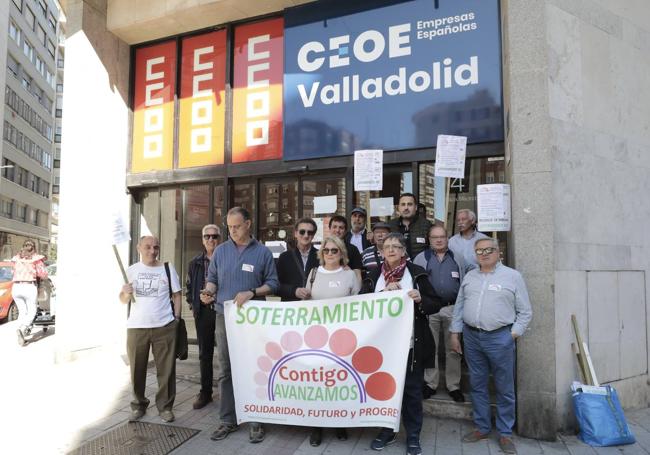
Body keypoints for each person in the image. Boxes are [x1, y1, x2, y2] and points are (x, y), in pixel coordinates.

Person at [202, 207, 279, 444]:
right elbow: (212, 280)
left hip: (253, 321)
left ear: (248, 224)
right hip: (224, 317)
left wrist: (252, 292)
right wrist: (207, 292)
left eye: (236, 226)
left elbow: (273, 283)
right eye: (229, 227)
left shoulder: (263, 252)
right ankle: (228, 420)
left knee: (254, 368)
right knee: (226, 370)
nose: (232, 231)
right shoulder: (221, 251)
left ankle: (256, 420)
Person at [361, 233, 443, 455]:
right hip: (381, 348)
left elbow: (435, 303)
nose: (391, 250)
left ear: (404, 251)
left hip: (410, 346)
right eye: (387, 246)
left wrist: (420, 299)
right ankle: (387, 431)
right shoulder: (373, 275)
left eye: (396, 246)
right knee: (384, 390)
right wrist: (379, 295)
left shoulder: (416, 274)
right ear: (381, 251)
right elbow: (360, 305)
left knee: (412, 392)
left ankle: (413, 436)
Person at [450, 238, 532, 455]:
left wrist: (511, 335)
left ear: (498, 252)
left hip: (499, 338)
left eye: (488, 250)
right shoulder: (470, 276)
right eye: (479, 251)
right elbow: (459, 307)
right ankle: (482, 427)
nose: (484, 254)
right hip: (472, 337)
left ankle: (505, 433)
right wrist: (455, 334)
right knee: (477, 385)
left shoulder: (513, 276)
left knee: (505, 388)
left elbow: (525, 312)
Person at [119, 236, 182, 423]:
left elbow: (177, 295)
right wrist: (125, 292)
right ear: (139, 248)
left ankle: (165, 407)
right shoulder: (131, 270)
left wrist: (176, 320)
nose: (152, 251)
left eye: (156, 247)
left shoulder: (167, 268)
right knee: (137, 369)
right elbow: (123, 300)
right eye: (147, 247)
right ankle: (138, 405)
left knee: (166, 370)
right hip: (137, 327)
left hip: (164, 326)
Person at [305, 235, 361, 446]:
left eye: (334, 250)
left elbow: (358, 305)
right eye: (326, 250)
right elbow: (306, 302)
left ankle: (340, 422)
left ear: (341, 253)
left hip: (341, 339)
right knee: (317, 382)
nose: (329, 254)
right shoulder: (312, 274)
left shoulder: (349, 276)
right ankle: (316, 426)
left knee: (338, 381)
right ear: (321, 253)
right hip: (316, 339)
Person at [413, 225, 466, 402]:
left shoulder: (457, 257)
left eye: (442, 236)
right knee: (431, 347)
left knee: (454, 348)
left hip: (453, 308)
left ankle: (453, 386)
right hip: (430, 309)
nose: (439, 240)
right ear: (429, 239)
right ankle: (430, 384)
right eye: (435, 237)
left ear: (447, 238)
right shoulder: (421, 258)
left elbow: (464, 281)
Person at [186, 224, 221, 409]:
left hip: (222, 310)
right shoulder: (195, 262)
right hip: (204, 313)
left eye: (214, 236)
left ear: (219, 238)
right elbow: (189, 286)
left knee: (227, 353)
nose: (210, 240)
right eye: (207, 236)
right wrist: (194, 305)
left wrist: (216, 296)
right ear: (202, 239)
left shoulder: (225, 259)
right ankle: (206, 392)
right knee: (204, 354)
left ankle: (229, 391)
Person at [11, 239, 47, 346]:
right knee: (32, 311)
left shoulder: (16, 258)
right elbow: (43, 274)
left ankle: (20, 331)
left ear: (23, 247)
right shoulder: (36, 259)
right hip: (29, 287)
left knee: (22, 312)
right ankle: (22, 330)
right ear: (34, 248)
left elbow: (12, 271)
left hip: (16, 287)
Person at [277, 218, 320, 301]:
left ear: (313, 235)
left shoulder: (322, 256)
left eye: (310, 232)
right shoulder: (284, 257)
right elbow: (275, 285)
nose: (306, 235)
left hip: (314, 307)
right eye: (302, 232)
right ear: (295, 234)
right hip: (292, 308)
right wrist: (294, 291)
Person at [388, 193, 432, 259]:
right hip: (397, 267)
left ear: (416, 207)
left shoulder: (426, 225)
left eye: (410, 204)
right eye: (403, 204)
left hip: (421, 267)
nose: (406, 208)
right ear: (398, 208)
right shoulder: (390, 225)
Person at [328, 215, 364, 280]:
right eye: (334, 227)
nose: (337, 230)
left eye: (341, 228)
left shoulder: (353, 249)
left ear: (345, 231)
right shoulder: (324, 249)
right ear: (329, 228)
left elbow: (357, 275)